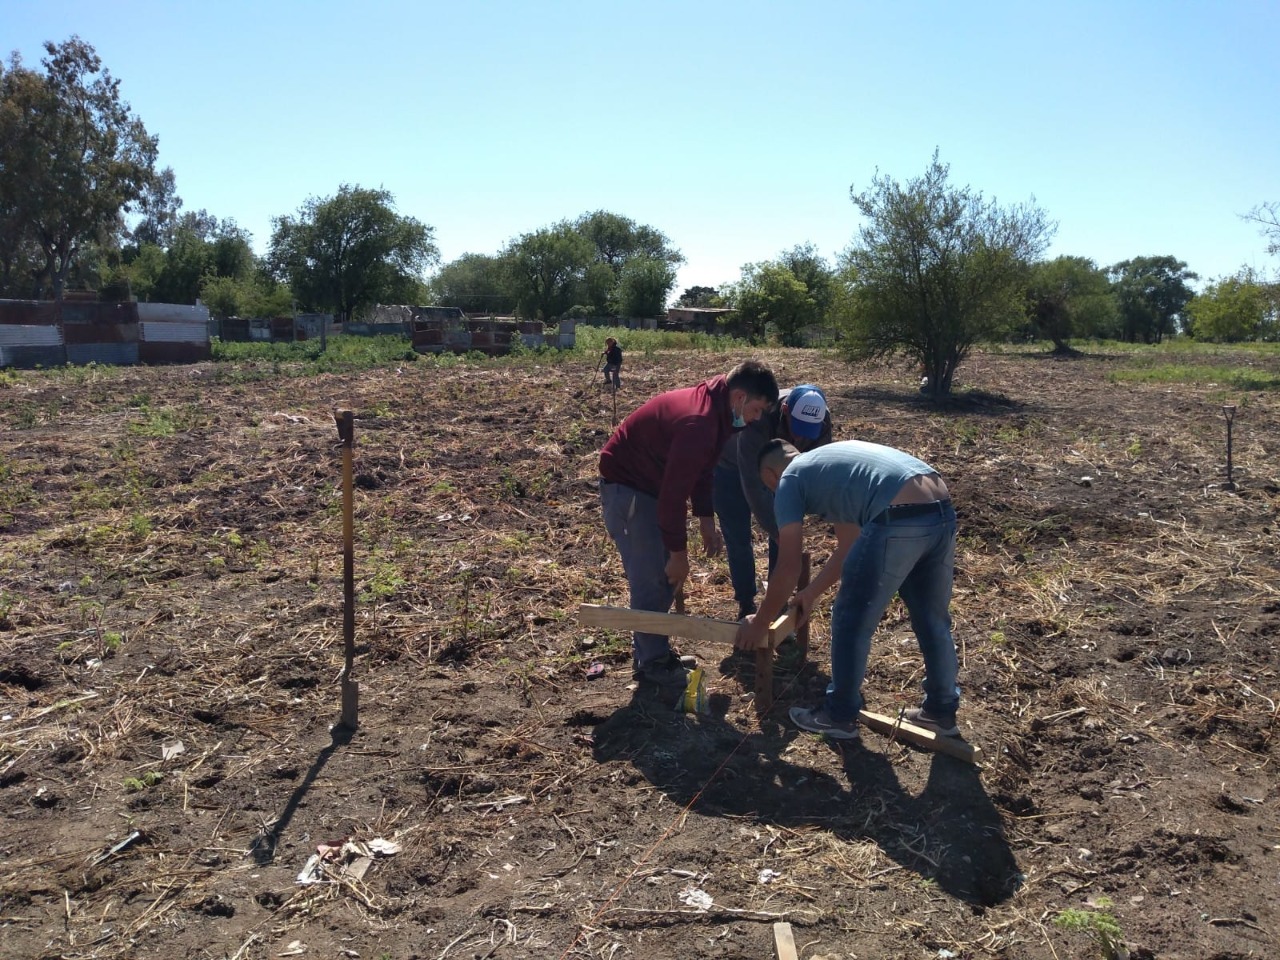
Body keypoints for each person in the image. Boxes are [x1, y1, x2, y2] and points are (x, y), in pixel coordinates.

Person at [735, 438, 961, 740]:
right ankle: (940, 712)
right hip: (939, 508)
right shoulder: (832, 470)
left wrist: (760, 622)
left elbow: (788, 566)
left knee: (850, 618)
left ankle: (839, 715)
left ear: (770, 476)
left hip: (897, 513)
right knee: (932, 618)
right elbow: (849, 547)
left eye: (770, 488)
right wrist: (811, 592)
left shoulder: (790, 478)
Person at [599, 360, 780, 689]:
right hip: (629, 488)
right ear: (739, 397)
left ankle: (653, 652)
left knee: (662, 577)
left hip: (652, 485)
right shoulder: (700, 422)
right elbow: (672, 497)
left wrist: (706, 519)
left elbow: (703, 469)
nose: (756, 419)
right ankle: (652, 664)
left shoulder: (720, 410)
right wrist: (679, 554)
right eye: (756, 410)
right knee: (653, 577)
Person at [714, 384, 834, 620]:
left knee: (785, 534)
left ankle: (777, 603)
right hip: (732, 466)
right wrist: (774, 528)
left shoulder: (821, 418)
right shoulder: (761, 415)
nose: (799, 438)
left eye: (807, 432)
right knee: (738, 537)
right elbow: (751, 482)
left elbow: (816, 469)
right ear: (785, 410)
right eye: (796, 428)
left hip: (781, 469)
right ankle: (746, 604)